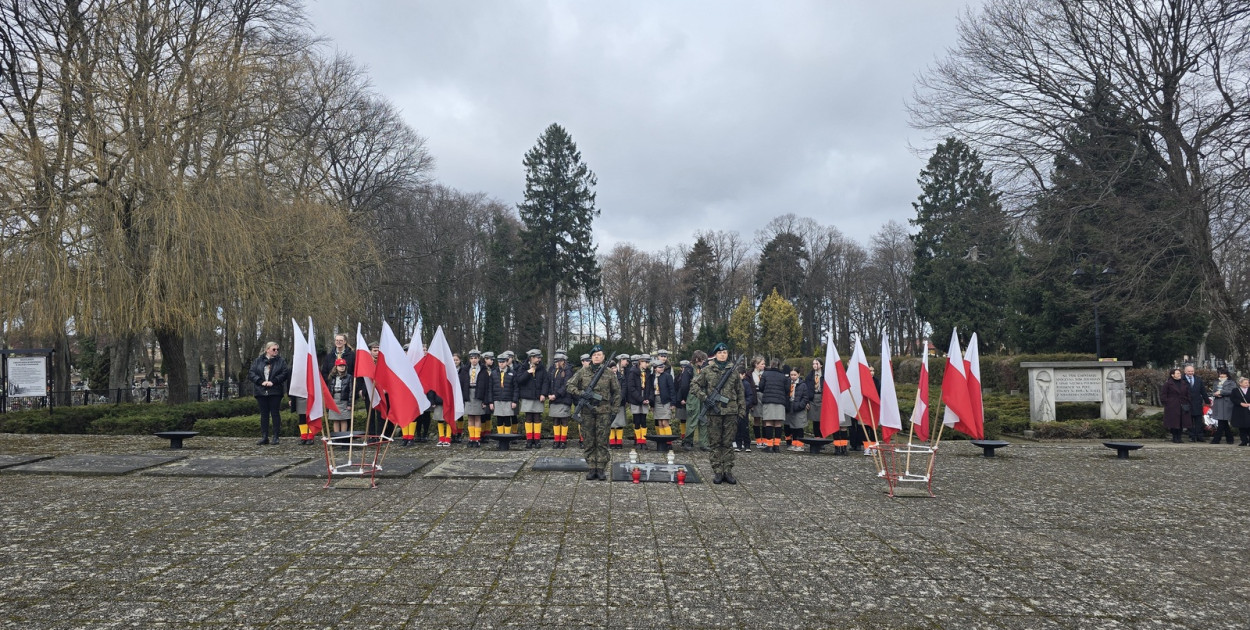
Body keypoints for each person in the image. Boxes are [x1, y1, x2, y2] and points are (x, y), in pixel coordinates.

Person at [689, 343, 745, 484]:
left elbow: (740, 392)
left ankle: (728, 471)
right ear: (715, 355)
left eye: (725, 352)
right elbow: (694, 385)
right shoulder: (707, 370)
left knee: (727, 443)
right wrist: (705, 398)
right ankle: (718, 471)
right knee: (715, 443)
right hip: (713, 413)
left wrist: (742, 410)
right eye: (720, 353)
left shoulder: (733, 371)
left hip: (730, 411)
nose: (722, 355)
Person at [566, 346, 622, 480]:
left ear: (603, 357)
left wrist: (614, 410)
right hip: (587, 412)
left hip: (604, 412)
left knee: (602, 441)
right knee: (589, 440)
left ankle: (601, 468)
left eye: (599, 354)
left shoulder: (609, 373)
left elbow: (617, 392)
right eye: (594, 355)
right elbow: (569, 385)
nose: (597, 356)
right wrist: (581, 393)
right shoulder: (583, 371)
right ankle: (591, 467)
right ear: (591, 357)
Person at [249, 342, 289, 445]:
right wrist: (260, 381)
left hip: (275, 390)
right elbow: (252, 373)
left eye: (277, 349)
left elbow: (284, 373)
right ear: (267, 350)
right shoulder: (258, 361)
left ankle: (276, 436)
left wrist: (274, 381)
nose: (276, 351)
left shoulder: (281, 361)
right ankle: (264, 436)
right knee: (264, 414)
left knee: (275, 413)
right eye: (274, 349)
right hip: (261, 390)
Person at [516, 349, 550, 449]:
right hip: (527, 396)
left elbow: (545, 382)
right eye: (537, 358)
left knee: (537, 418)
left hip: (538, 396)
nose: (539, 359)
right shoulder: (523, 367)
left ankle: (537, 440)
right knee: (528, 418)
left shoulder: (542, 368)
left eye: (540, 358)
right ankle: (529, 440)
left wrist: (543, 394)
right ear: (531, 358)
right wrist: (528, 372)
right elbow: (519, 380)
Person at [459, 349, 492, 448]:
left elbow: (487, 386)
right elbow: (461, 384)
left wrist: (485, 400)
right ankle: (471, 438)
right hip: (468, 393)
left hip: (479, 394)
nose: (474, 360)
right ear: (469, 359)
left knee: (477, 417)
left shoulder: (483, 370)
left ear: (479, 359)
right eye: (472, 358)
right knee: (470, 417)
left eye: (476, 358)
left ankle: (477, 438)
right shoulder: (465, 370)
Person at [757, 358, 788, 453]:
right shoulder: (783, 376)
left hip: (768, 400)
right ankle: (777, 446)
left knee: (769, 423)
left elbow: (761, 387)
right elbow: (787, 390)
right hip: (780, 401)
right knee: (778, 423)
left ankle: (769, 446)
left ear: (771, 365)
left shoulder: (765, 374)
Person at [683, 350, 710, 451]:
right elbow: (684, 385)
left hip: (703, 396)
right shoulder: (689, 369)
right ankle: (688, 441)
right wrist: (683, 398)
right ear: (697, 359)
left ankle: (704, 443)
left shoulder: (704, 369)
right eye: (702, 360)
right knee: (692, 419)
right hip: (693, 396)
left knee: (704, 420)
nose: (703, 362)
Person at [548, 352, 575, 449]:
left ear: (563, 361)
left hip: (564, 398)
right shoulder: (553, 370)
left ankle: (563, 440)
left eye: (558, 361)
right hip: (554, 398)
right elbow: (549, 383)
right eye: (555, 361)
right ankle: (556, 440)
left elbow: (566, 385)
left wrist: (556, 395)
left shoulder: (568, 371)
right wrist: (549, 394)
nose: (556, 363)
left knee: (564, 419)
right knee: (555, 419)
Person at [625, 354, 652, 448]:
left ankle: (643, 441)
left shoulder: (648, 373)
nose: (647, 364)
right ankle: (638, 440)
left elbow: (650, 387)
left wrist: (648, 399)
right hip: (636, 399)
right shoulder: (633, 372)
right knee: (636, 420)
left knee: (643, 420)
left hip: (645, 398)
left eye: (648, 362)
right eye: (646, 362)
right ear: (640, 362)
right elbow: (631, 388)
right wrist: (641, 399)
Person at [490, 351, 519, 435]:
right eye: (499, 362)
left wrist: (514, 401)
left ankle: (507, 437)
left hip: (508, 399)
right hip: (497, 399)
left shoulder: (512, 373)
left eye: (503, 362)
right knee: (499, 419)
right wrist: (491, 402)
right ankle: (500, 437)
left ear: (506, 362)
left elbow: (516, 388)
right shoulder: (494, 373)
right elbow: (490, 388)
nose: (501, 364)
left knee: (507, 419)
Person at [1160, 368, 1191, 443]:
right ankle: (1174, 437)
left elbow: (1188, 393)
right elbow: (1163, 395)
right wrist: (1167, 402)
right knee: (1174, 422)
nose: (1179, 374)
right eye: (1177, 373)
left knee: (1181, 421)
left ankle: (1179, 437)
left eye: (1180, 373)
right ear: (1172, 375)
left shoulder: (1184, 383)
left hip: (1182, 404)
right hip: (1172, 405)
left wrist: (1188, 401)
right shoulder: (1168, 384)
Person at [785, 366, 812, 451]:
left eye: (795, 375)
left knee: (799, 426)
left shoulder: (803, 384)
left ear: (798, 375)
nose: (793, 376)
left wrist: (800, 405)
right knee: (792, 426)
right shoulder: (787, 383)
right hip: (790, 406)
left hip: (799, 407)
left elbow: (805, 397)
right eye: (791, 375)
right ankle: (794, 443)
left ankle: (800, 445)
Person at [651, 360, 676, 447]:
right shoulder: (652, 377)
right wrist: (651, 404)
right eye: (659, 367)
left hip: (666, 401)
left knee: (665, 422)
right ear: (655, 368)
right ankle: (662, 442)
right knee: (660, 423)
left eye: (662, 367)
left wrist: (673, 403)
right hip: (656, 400)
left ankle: (669, 442)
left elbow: (672, 389)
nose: (662, 368)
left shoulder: (667, 376)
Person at [326, 358, 353, 436]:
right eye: (340, 366)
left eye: (343, 366)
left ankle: (343, 437)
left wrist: (350, 404)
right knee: (335, 419)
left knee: (343, 419)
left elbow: (351, 391)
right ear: (336, 367)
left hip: (344, 399)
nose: (342, 367)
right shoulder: (331, 377)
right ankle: (336, 437)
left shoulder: (349, 377)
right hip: (334, 399)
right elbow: (329, 389)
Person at [1183, 364, 1209, 442]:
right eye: (1189, 371)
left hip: (1197, 403)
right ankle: (1192, 436)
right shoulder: (1181, 380)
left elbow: (1203, 391)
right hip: (1187, 403)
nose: (1190, 373)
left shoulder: (1198, 379)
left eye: (1192, 371)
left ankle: (1199, 436)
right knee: (1189, 420)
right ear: (1185, 371)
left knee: (1198, 421)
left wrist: (1207, 401)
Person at [610, 354, 631, 449]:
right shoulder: (606, 378)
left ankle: (619, 442)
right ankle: (611, 442)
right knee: (611, 423)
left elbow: (624, 388)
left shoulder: (621, 377)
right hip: (610, 403)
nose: (613, 369)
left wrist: (620, 398)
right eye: (611, 368)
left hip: (620, 403)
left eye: (614, 367)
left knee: (619, 423)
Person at [1210, 368, 1236, 444]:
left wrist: (1221, 392)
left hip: (1227, 403)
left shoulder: (1231, 382)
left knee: (1222, 421)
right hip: (1218, 402)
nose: (1221, 375)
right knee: (1223, 421)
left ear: (1227, 374)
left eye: (1223, 374)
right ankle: (1229, 438)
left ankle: (1217, 439)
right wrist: (1215, 394)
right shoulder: (1216, 382)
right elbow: (1214, 391)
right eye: (1220, 374)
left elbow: (1232, 391)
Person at [736, 364, 756, 452]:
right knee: (737, 428)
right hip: (735, 408)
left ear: (743, 374)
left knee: (745, 427)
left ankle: (747, 445)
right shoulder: (734, 384)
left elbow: (749, 396)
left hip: (744, 409)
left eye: (739, 374)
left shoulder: (746, 384)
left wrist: (745, 405)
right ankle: (738, 445)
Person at [805, 358, 824, 439]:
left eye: (816, 363)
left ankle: (822, 436)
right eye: (813, 364)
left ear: (821, 365)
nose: (814, 365)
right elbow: (806, 389)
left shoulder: (825, 374)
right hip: (813, 397)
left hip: (822, 397)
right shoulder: (809, 376)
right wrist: (807, 401)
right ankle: (817, 437)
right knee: (815, 419)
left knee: (822, 418)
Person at [748, 356, 765, 450]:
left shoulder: (766, 373)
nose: (764, 365)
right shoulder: (750, 374)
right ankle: (758, 440)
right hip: (755, 396)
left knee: (766, 419)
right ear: (756, 364)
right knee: (757, 419)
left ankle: (766, 440)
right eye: (762, 364)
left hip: (765, 396)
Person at [675, 359, 693, 443]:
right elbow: (676, 389)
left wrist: (686, 399)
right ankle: (683, 436)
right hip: (680, 400)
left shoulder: (691, 377)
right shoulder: (677, 377)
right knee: (682, 419)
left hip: (689, 400)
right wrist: (679, 399)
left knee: (689, 420)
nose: (684, 369)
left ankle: (688, 437)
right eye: (683, 368)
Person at [1231, 377, 1250, 446]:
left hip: (1248, 409)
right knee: (1241, 426)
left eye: (1248, 383)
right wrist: (1240, 403)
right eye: (1245, 383)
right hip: (1239, 410)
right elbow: (1233, 399)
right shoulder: (1235, 390)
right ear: (1240, 383)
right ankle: (1244, 440)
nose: (1247, 384)